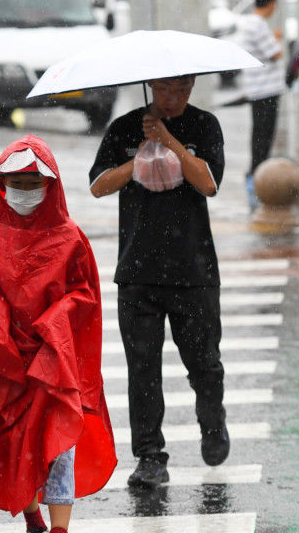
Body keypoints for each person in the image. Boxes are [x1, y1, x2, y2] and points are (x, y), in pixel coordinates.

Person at [0, 135, 116, 533]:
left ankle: (59, 528)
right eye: (17, 184)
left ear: (50, 187)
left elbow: (84, 296)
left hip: (54, 362)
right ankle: (34, 516)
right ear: (1, 184)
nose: (25, 192)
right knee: (16, 446)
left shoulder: (71, 239)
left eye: (34, 185)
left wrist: (54, 322)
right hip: (3, 364)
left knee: (59, 445)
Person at [89, 74, 229, 488]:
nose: (174, 98)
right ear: (152, 86)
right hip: (137, 272)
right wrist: (139, 159)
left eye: (183, 90)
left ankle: (213, 421)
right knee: (143, 369)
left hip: (193, 270)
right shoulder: (124, 128)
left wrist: (168, 142)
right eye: (167, 90)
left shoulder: (205, 126)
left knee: (203, 363)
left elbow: (208, 183)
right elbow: (98, 186)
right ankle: (150, 455)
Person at [238, 0, 286, 210]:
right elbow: (275, 53)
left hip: (260, 89)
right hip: (264, 90)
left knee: (261, 134)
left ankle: (256, 176)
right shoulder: (257, 24)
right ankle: (256, 178)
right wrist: (277, 40)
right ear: (271, 4)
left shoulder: (252, 23)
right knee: (263, 136)